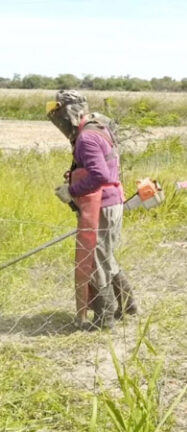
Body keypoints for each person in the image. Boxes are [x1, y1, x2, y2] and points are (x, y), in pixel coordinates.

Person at [47, 89, 138, 330]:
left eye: (57, 112)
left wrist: (72, 191)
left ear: (67, 113)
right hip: (111, 201)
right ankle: (129, 306)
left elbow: (100, 175)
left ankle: (104, 318)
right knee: (105, 256)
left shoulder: (86, 138)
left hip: (103, 204)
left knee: (97, 262)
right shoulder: (97, 126)